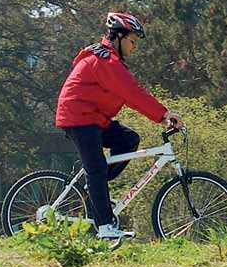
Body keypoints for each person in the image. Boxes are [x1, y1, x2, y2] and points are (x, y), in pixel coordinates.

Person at [55, 12, 182, 240]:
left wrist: (161, 116)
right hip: (80, 118)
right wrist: (163, 114)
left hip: (94, 118)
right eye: (132, 41)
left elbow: (130, 95)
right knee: (96, 169)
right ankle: (105, 228)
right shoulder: (106, 61)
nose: (134, 48)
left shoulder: (110, 60)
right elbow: (132, 93)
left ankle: (96, 191)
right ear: (118, 36)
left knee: (128, 139)